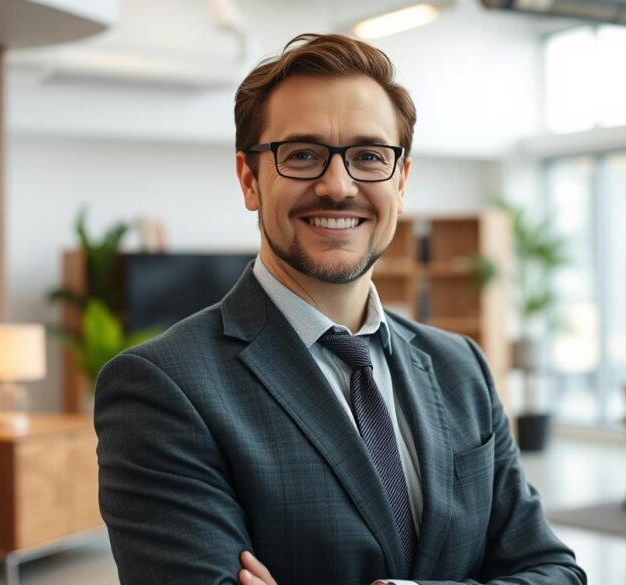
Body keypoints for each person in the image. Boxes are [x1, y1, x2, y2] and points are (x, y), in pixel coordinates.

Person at [94, 33, 586, 585]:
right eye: (302, 155)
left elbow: (553, 571)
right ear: (249, 179)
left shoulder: (460, 367)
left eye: (369, 156)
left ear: (400, 182)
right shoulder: (163, 387)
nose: (337, 185)